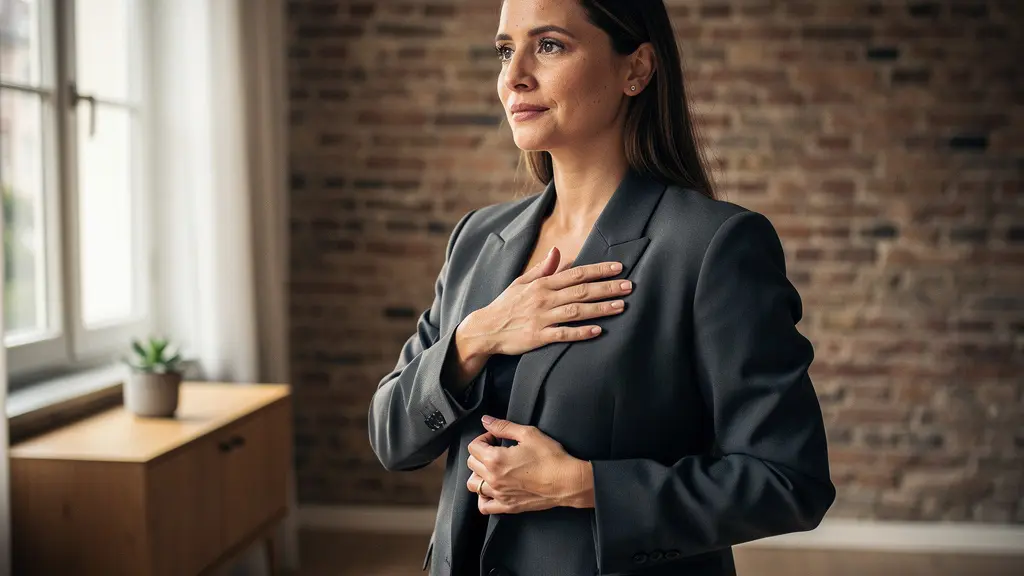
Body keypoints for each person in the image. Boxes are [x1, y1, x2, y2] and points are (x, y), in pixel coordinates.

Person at [368, 1, 836, 574]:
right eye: (504, 49)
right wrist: (474, 338)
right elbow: (391, 438)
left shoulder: (712, 247)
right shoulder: (476, 238)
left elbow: (789, 479)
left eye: (549, 45)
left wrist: (586, 485)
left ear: (635, 69)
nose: (513, 76)